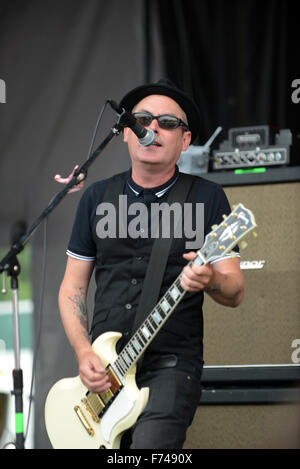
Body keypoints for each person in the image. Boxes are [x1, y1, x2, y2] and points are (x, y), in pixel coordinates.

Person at [58, 78, 244, 449]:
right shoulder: (96, 198)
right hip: (105, 370)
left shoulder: (207, 198)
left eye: (168, 123)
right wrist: (84, 352)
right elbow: (73, 288)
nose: (153, 129)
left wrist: (208, 280)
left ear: (185, 140)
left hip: (171, 366)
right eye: (143, 120)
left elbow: (235, 289)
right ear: (127, 133)